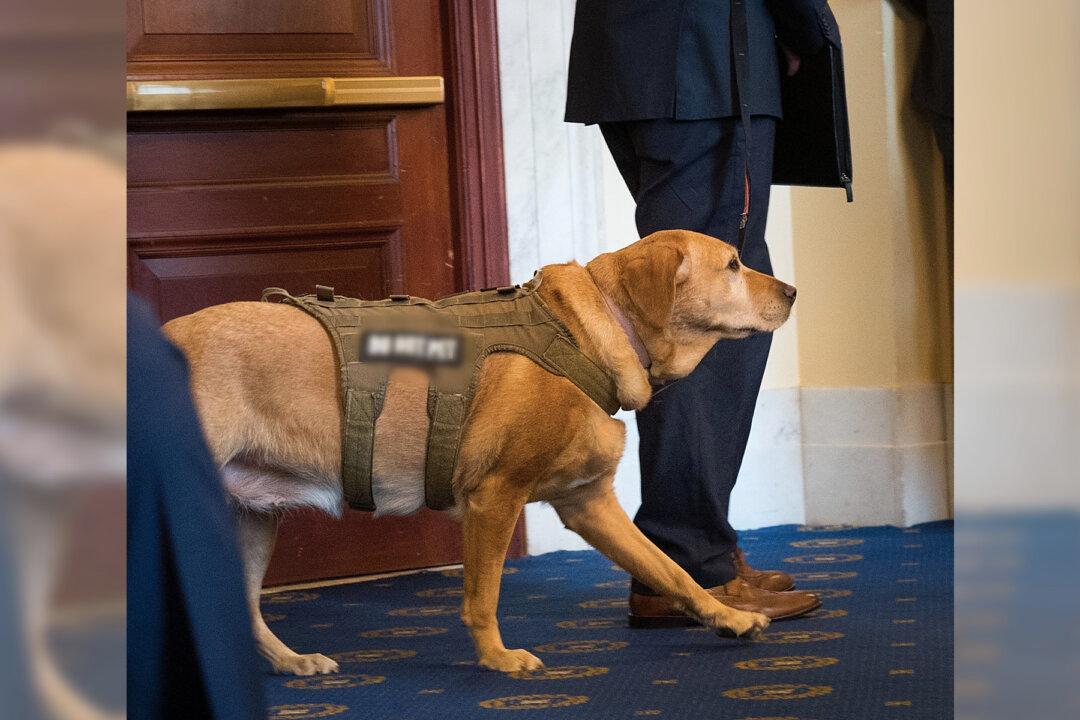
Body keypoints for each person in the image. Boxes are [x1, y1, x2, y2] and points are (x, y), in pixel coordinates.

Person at [565, 0, 843, 624]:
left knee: (693, 300)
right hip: (707, 60)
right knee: (715, 311)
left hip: (638, 58)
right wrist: (805, 29)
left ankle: (694, 547)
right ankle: (684, 562)